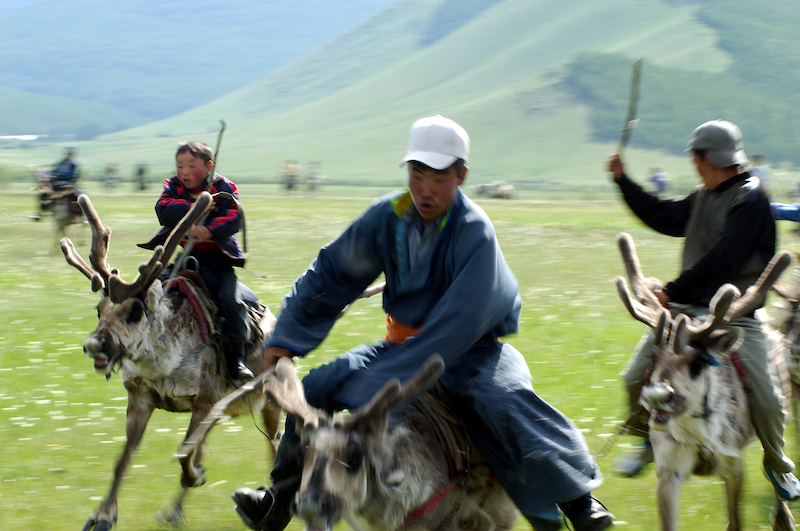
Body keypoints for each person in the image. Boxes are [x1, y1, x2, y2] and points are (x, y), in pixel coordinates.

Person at [232, 115, 614, 531]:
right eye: (417, 174)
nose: (425, 189)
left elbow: (459, 322)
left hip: (473, 352)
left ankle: (577, 498)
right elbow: (331, 273)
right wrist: (285, 338)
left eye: (439, 177)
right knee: (317, 387)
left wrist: (389, 375)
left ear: (461, 175)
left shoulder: (475, 232)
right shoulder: (388, 216)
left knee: (502, 400)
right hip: (399, 347)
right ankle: (282, 498)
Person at [607, 119, 800, 501]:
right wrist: (623, 181)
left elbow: (723, 261)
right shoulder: (702, 195)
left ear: (705, 158)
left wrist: (672, 291)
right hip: (683, 311)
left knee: (766, 398)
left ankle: (778, 465)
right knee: (634, 378)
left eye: (695, 157)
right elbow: (662, 215)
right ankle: (647, 442)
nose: (694, 164)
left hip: (737, 315)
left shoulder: (750, 199)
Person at [139, 140, 253, 381]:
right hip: (186, 257)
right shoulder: (173, 186)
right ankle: (140, 344)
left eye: (192, 165)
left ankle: (235, 359)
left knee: (230, 303)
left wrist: (209, 230)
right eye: (180, 165)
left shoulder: (224, 187)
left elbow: (234, 217)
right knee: (149, 288)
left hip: (218, 262)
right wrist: (197, 207)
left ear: (209, 166)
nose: (185, 171)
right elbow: (163, 209)